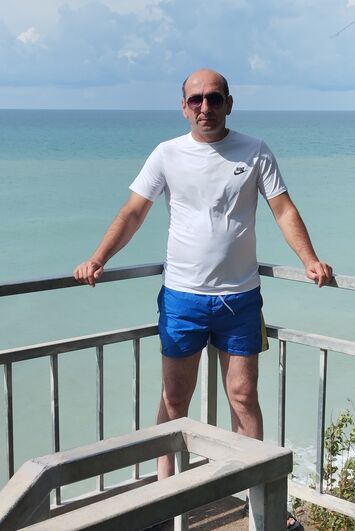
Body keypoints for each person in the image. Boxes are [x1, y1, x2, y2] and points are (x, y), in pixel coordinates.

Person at [74, 68, 332, 530]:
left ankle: (258, 502)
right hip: (183, 299)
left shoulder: (255, 150)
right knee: (175, 399)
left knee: (244, 396)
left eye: (214, 98)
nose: (205, 107)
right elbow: (133, 212)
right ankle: (163, 499)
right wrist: (98, 258)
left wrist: (310, 259)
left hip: (241, 299)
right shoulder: (166, 153)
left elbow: (283, 209)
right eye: (196, 99)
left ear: (229, 103)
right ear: (183, 106)